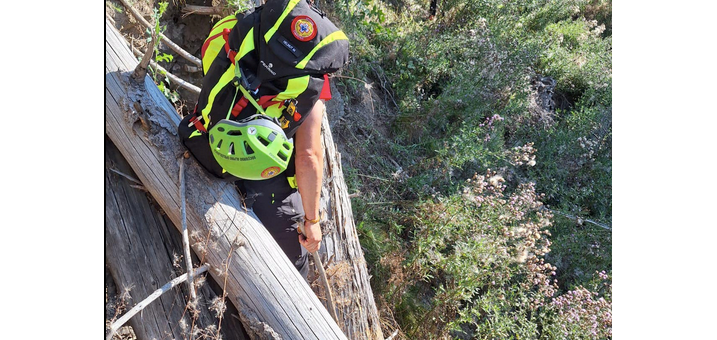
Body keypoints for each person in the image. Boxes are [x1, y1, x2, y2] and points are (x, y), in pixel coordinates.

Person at [178, 0, 349, 280]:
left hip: (204, 141)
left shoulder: (243, 24)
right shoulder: (314, 69)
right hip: (265, 181)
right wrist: (312, 221)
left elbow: (209, 60)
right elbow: (308, 155)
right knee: (292, 270)